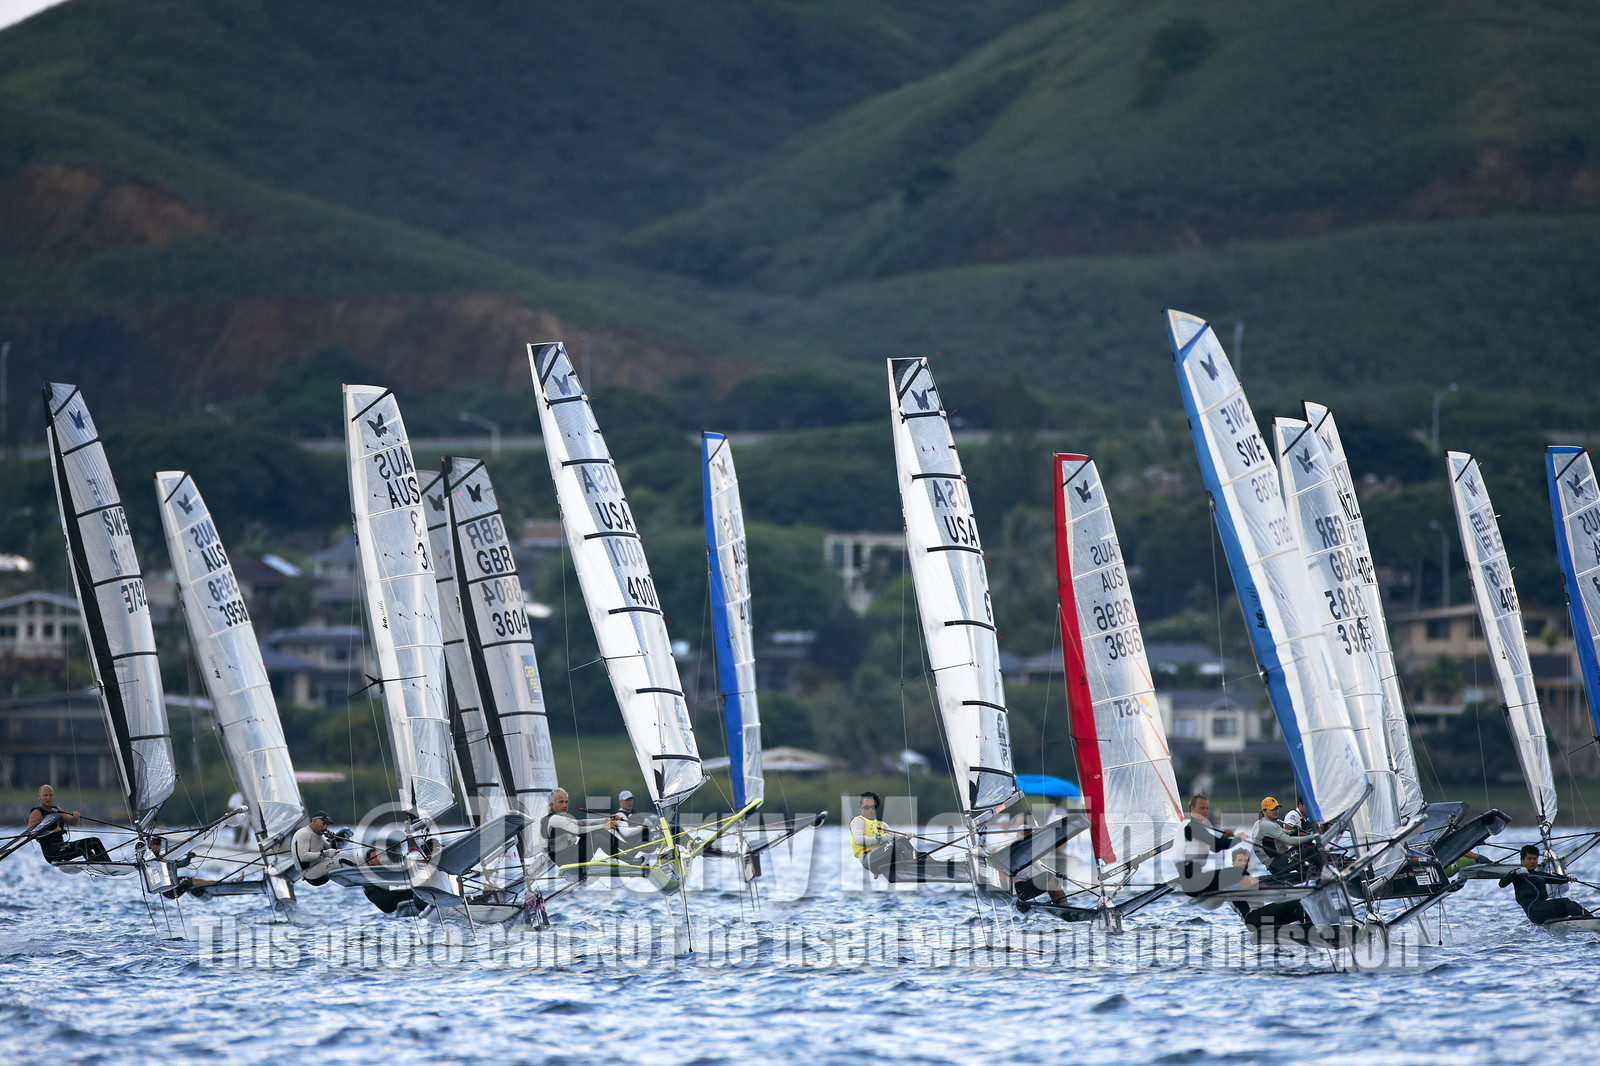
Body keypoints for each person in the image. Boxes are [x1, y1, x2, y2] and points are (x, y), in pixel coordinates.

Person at [1498, 845, 1596, 926]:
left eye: (1535, 859)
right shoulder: (1517, 874)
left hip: (1543, 908)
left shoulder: (1539, 875)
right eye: (1529, 859)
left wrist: (1568, 878)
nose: (1532, 862)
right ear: (1522, 861)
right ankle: (1591, 923)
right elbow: (1502, 884)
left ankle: (1593, 920)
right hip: (1534, 911)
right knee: (1565, 902)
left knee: (1573, 903)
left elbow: (1556, 879)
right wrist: (1516, 873)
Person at [1226, 848, 1310, 930]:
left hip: (1264, 919)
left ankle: (1312, 929)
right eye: (1240, 860)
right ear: (1233, 863)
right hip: (1254, 920)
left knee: (1296, 911)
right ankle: (1313, 930)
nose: (1243, 863)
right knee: (1297, 902)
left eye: (1246, 861)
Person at [28, 785, 111, 865]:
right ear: (40, 797)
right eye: (45, 795)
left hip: (61, 847)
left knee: (95, 841)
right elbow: (31, 832)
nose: (48, 798)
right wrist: (50, 830)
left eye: (50, 795)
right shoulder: (37, 812)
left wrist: (75, 817)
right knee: (81, 846)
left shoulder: (56, 810)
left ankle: (109, 864)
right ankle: (97, 864)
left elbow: (72, 822)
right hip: (51, 852)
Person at [541, 789, 620, 871]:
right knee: (596, 836)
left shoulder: (558, 817)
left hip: (571, 856)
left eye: (566, 802)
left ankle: (625, 853)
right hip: (568, 862)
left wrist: (606, 819)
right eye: (561, 802)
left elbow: (581, 822)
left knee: (596, 831)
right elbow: (578, 830)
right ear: (552, 804)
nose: (565, 805)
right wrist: (604, 826)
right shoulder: (555, 819)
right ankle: (626, 857)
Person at [1251, 797, 1323, 882]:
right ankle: (1325, 871)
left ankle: (1311, 873)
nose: (1276, 811)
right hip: (1275, 865)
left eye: (1277, 808)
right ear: (1264, 811)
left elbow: (1282, 831)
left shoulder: (1262, 822)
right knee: (1309, 848)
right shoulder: (1267, 825)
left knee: (1306, 848)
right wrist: (1313, 836)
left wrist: (1293, 831)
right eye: (1272, 809)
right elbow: (1289, 841)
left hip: (1277, 861)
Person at [1178, 794, 1238, 894]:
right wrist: (1239, 838)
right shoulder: (1193, 827)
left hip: (1192, 879)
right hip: (1193, 882)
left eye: (1207, 808)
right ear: (1192, 809)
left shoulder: (1195, 826)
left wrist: (1224, 837)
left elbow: (1215, 847)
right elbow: (1217, 845)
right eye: (1202, 808)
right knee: (1238, 872)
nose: (1205, 811)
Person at [850, 791, 915, 880]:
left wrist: (906, 836)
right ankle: (917, 863)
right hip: (868, 859)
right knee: (900, 844)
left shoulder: (882, 824)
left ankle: (925, 862)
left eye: (873, 807)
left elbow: (895, 837)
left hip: (881, 856)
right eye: (866, 807)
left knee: (902, 842)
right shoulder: (858, 821)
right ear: (860, 808)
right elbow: (859, 840)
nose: (870, 810)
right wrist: (880, 839)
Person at [291, 812, 352, 887]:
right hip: (310, 873)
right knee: (342, 862)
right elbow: (303, 857)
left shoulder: (318, 834)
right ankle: (364, 875)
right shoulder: (303, 833)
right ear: (314, 821)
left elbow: (332, 851)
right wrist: (325, 853)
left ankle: (361, 875)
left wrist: (332, 839)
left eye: (327, 825)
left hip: (320, 868)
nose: (325, 827)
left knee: (342, 862)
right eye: (323, 824)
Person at [612, 790, 652, 856]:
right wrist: (643, 827)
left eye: (630, 800)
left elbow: (647, 822)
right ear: (620, 802)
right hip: (631, 847)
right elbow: (626, 833)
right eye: (626, 800)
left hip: (643, 843)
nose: (629, 803)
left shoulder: (635, 812)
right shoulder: (619, 815)